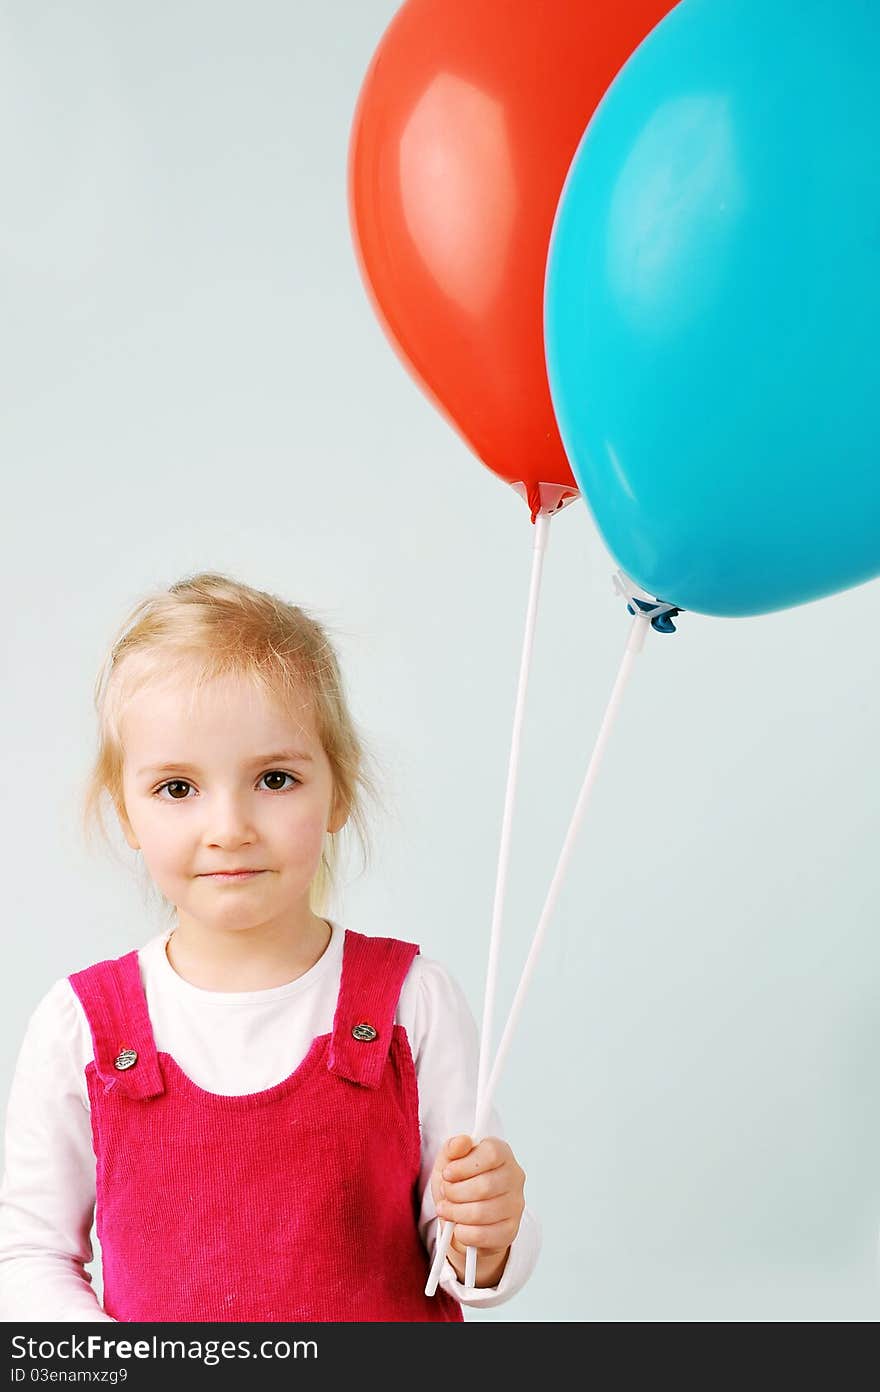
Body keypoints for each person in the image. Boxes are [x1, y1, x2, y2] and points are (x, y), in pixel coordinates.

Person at [0, 571, 539, 1322]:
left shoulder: (412, 1000)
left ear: (338, 792)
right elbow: (26, 1256)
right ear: (124, 809)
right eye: (178, 789)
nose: (229, 827)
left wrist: (490, 1228)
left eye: (274, 778)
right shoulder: (81, 1027)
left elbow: (468, 1269)